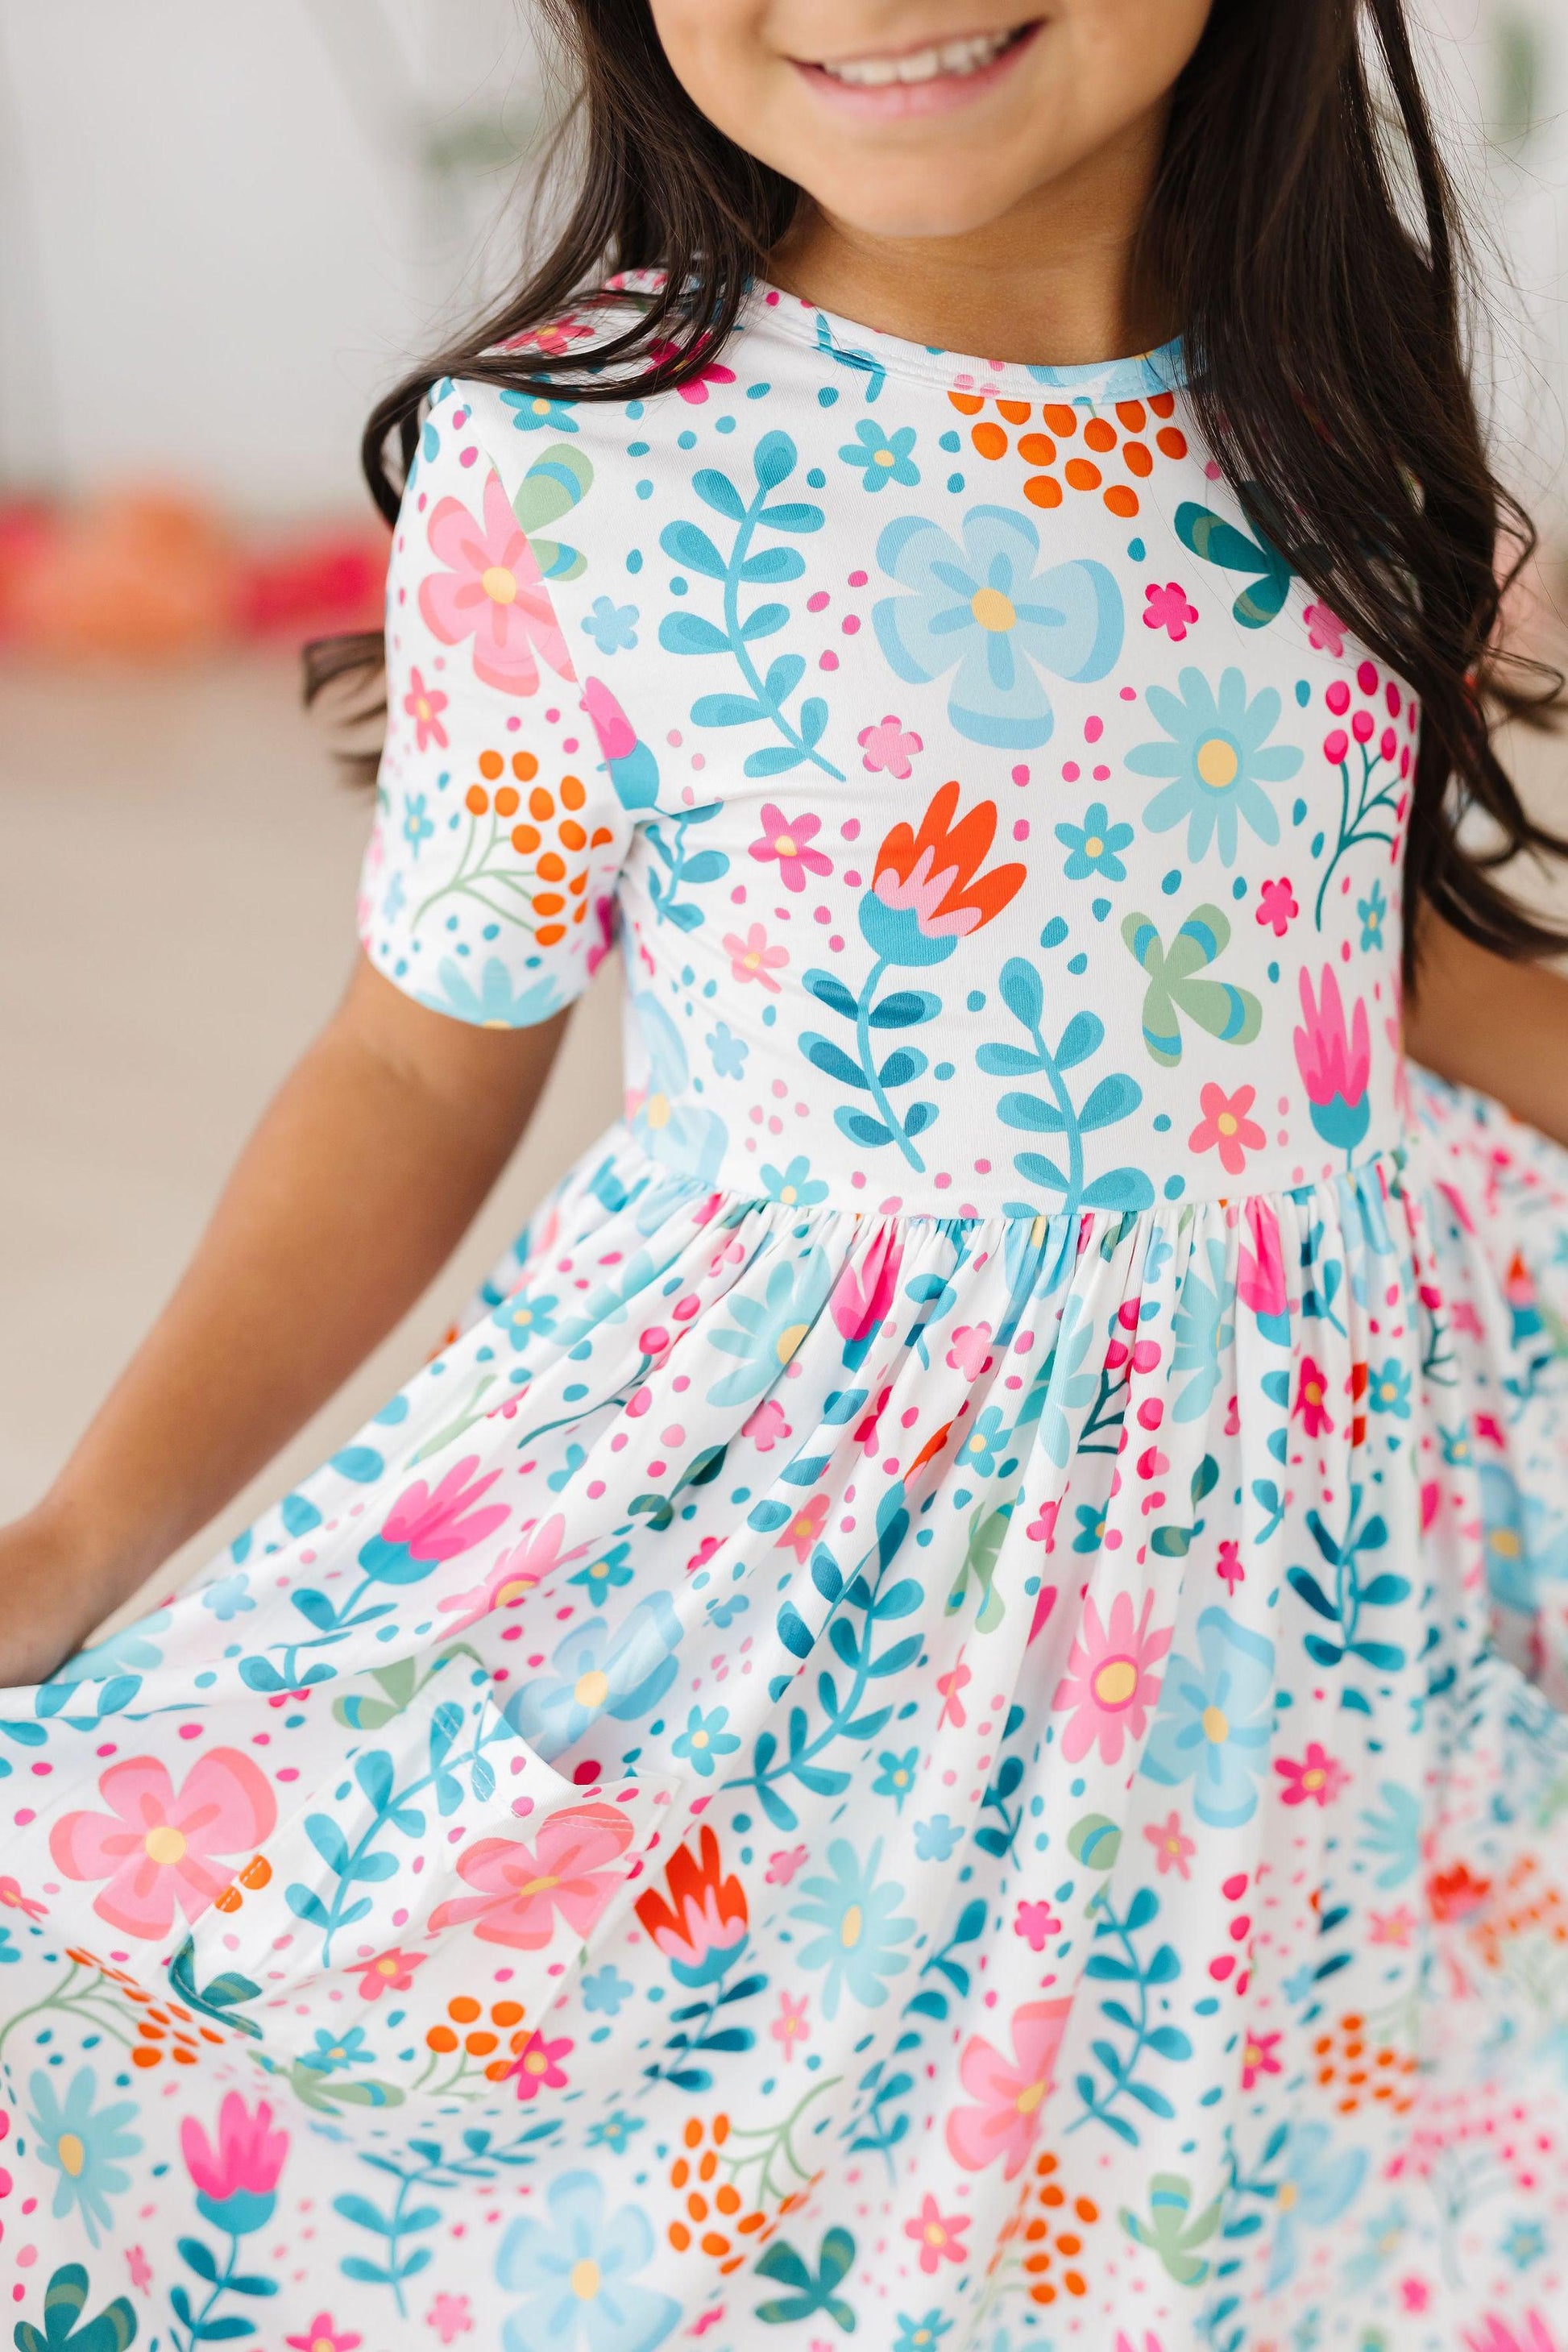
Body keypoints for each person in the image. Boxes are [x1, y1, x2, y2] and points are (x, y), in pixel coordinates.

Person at [5, 2, 1568, 2341]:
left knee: (1230, 2164)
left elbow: (1379, 958)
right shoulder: (581, 465)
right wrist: (75, 1543)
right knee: (784, 2190)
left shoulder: (1317, 383)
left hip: (1314, 1561)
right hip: (829, 1588)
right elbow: (417, 1064)